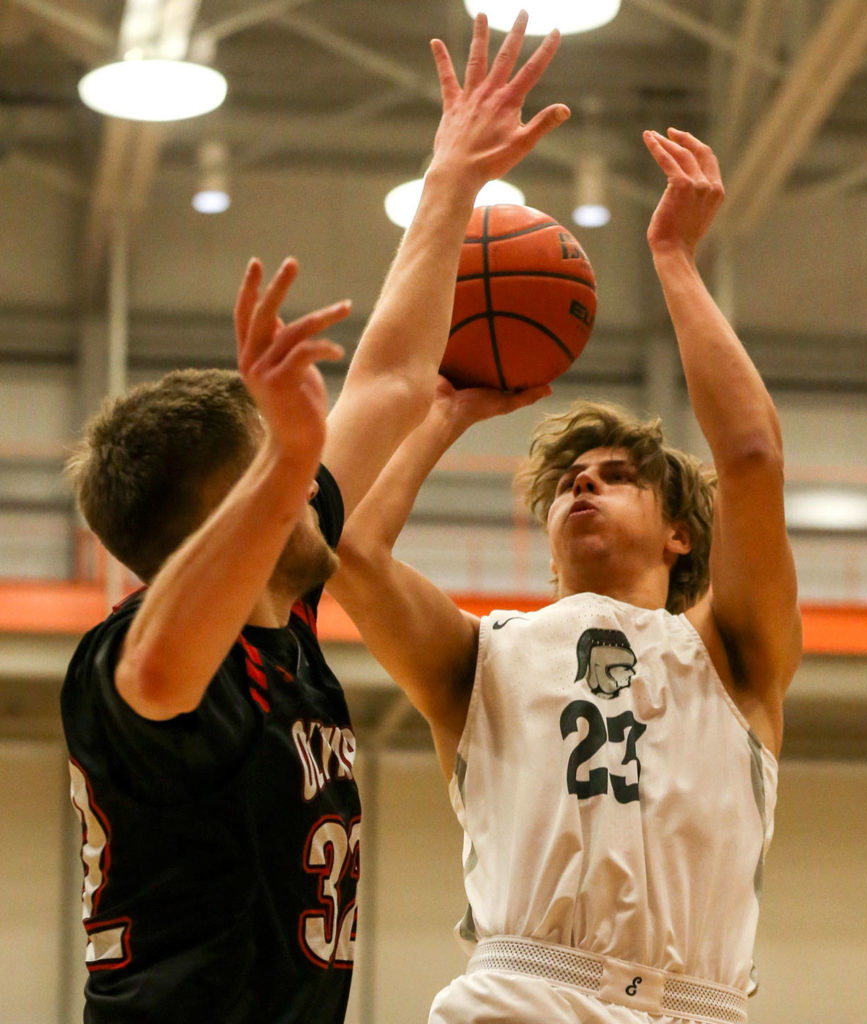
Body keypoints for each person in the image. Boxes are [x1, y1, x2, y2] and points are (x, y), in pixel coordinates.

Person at [60, 13, 569, 1023]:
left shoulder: (278, 615)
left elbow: (385, 376)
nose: (310, 482)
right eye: (277, 476)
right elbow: (161, 672)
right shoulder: (134, 665)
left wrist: (452, 177)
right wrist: (289, 451)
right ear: (222, 522)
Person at [328, 128, 802, 1023]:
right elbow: (349, 551)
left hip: (699, 1005)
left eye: (618, 475)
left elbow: (748, 454)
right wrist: (443, 410)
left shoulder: (732, 652)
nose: (584, 482)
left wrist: (673, 259)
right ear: (548, 542)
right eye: (567, 483)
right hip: (522, 992)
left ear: (679, 538)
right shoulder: (487, 652)